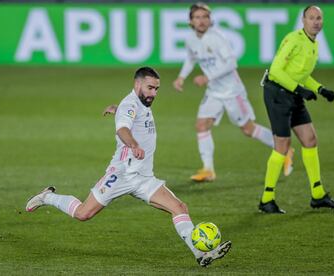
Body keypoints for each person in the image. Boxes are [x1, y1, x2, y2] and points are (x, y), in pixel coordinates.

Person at [25, 67, 231, 266]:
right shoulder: (130, 105)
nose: (154, 93)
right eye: (150, 88)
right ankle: (47, 197)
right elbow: (123, 129)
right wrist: (133, 144)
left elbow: (129, 115)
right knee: (83, 213)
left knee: (179, 208)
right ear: (137, 83)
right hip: (122, 173)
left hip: (144, 178)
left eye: (156, 89)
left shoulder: (136, 104)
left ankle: (201, 253)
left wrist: (117, 110)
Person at [173, 2, 294, 182]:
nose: (202, 21)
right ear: (190, 21)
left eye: (205, 17)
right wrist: (181, 77)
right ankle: (208, 170)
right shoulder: (191, 40)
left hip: (232, 91)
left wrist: (207, 77)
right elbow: (191, 58)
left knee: (248, 129)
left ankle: (285, 149)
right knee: (201, 125)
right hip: (214, 92)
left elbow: (231, 63)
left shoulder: (217, 37)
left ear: (210, 19)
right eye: (197, 17)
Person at [258, 6, 334, 214]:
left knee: (310, 139)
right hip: (277, 93)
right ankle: (266, 199)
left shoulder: (312, 43)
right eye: (311, 18)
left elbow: (301, 74)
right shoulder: (294, 39)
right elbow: (277, 70)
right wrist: (300, 90)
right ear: (303, 20)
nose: (316, 22)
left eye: (319, 18)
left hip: (293, 93)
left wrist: (320, 89)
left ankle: (318, 195)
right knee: (283, 145)